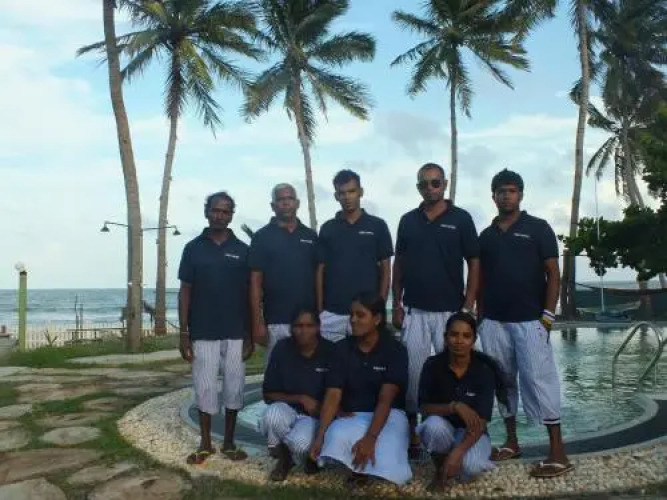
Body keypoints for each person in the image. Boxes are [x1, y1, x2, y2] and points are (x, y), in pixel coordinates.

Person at [478, 169, 572, 478]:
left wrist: (548, 316)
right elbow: (480, 279)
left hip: (531, 321)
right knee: (503, 382)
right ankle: (512, 442)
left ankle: (558, 452)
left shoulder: (538, 228)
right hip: (494, 322)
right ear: (493, 196)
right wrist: (480, 318)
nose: (506, 196)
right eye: (500, 191)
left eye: (511, 190)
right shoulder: (486, 236)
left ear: (520, 194)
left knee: (540, 381)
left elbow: (553, 274)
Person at [392, 162, 480, 455]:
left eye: (435, 182)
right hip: (415, 310)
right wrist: (397, 303)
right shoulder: (408, 220)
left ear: (444, 184)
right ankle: (413, 437)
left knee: (454, 373)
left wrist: (468, 306)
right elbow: (399, 263)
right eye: (424, 183)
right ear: (418, 187)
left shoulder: (462, 219)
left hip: (450, 312)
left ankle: (454, 432)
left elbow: (474, 262)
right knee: (413, 375)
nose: (430, 188)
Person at [178, 191, 253, 465]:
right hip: (203, 331)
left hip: (236, 331)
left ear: (231, 215)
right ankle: (206, 443)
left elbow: (250, 294)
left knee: (235, 387)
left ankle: (229, 443)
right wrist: (184, 332)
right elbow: (185, 291)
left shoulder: (243, 250)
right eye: (215, 210)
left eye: (225, 211)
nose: (219, 215)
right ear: (207, 212)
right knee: (205, 387)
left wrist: (249, 333)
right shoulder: (193, 248)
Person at [309, 293, 412, 487]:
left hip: (390, 415)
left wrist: (370, 438)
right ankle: (359, 469)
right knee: (334, 435)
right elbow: (333, 394)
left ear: (377, 319)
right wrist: (320, 435)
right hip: (353, 415)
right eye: (351, 315)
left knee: (385, 453)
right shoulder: (341, 349)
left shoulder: (395, 350)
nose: (353, 320)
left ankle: (365, 468)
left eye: (360, 315)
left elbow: (386, 399)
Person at [418, 312, 509, 491]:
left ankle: (456, 458)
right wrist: (455, 407)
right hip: (444, 429)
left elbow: (481, 421)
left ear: (474, 340)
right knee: (432, 426)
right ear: (445, 337)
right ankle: (440, 469)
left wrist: (458, 452)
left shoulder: (484, 371)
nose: (459, 341)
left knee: (470, 468)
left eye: (466, 336)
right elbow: (424, 408)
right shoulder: (432, 365)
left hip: (472, 432)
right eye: (454, 335)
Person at [317, 170, 393, 342]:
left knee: (365, 357)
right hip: (332, 312)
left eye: (351, 191)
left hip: (366, 313)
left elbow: (386, 269)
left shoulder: (378, 226)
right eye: (342, 193)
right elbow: (320, 270)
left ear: (360, 192)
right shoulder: (328, 228)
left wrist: (379, 308)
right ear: (336, 196)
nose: (347, 197)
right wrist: (320, 309)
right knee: (330, 359)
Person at [259, 307, 335, 481]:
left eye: (309, 325)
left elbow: (337, 394)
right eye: (298, 326)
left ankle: (305, 455)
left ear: (318, 327)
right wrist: (301, 398)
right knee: (271, 417)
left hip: (314, 417)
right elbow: (268, 394)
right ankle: (285, 459)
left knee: (300, 444)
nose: (303, 331)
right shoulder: (281, 348)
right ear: (291, 328)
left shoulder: (331, 351)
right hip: (289, 410)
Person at [249, 183, 318, 363]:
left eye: (290, 199)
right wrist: (257, 323)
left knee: (309, 374)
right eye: (281, 200)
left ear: (297, 203)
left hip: (308, 322)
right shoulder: (261, 237)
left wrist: (320, 316)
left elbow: (319, 278)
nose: (286, 203)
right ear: (273, 206)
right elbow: (255, 283)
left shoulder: (311, 236)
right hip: (276, 322)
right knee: (277, 375)